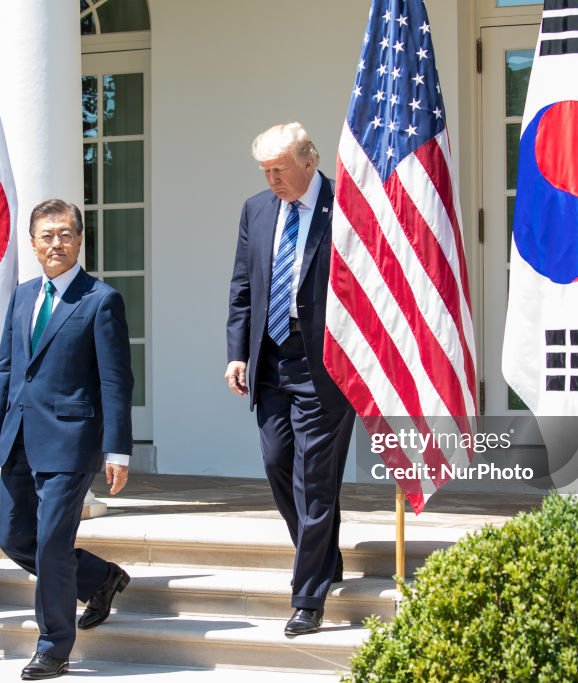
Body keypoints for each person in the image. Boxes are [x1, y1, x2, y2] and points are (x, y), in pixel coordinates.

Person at [0, 198, 133, 680]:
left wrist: (118, 449)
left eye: (65, 234)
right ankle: (101, 579)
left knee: (51, 545)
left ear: (80, 240)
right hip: (19, 438)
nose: (56, 243)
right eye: (47, 235)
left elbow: (116, 382)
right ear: (33, 243)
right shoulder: (21, 296)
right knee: (14, 537)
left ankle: (54, 646)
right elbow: (6, 370)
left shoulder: (100, 300)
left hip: (71, 442)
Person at [225, 123, 356, 636]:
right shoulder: (256, 210)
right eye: (265, 171)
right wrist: (237, 354)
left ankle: (308, 598)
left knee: (314, 478)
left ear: (309, 161)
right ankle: (322, 554)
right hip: (271, 361)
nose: (272, 179)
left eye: (279, 169)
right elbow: (242, 287)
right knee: (279, 463)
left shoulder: (347, 205)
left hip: (325, 363)